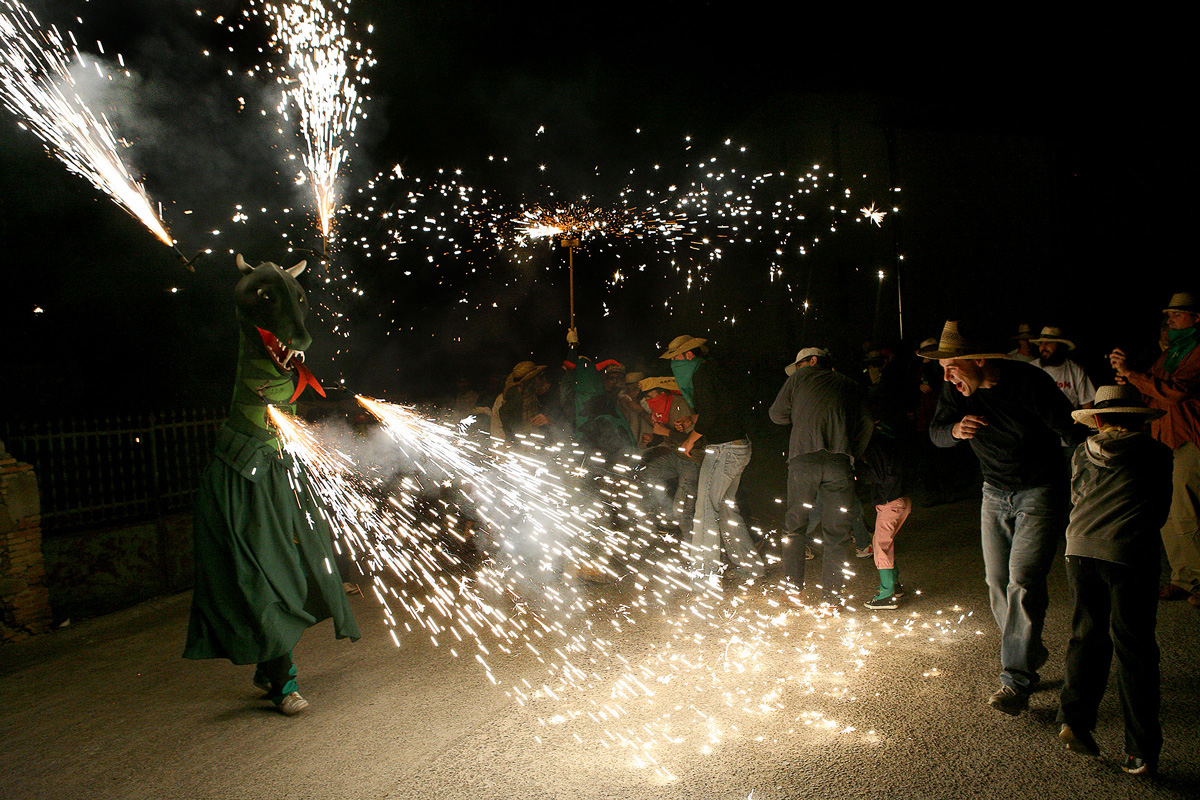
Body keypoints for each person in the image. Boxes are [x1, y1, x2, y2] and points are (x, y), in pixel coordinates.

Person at [922, 320, 1076, 715]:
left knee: (1023, 581)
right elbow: (936, 433)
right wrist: (955, 429)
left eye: (952, 365)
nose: (946, 375)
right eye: (942, 368)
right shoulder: (957, 391)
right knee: (997, 581)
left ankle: (1016, 681)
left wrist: (1094, 474)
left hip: (1040, 490)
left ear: (978, 360)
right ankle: (1027, 650)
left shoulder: (1029, 383)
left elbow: (1071, 429)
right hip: (993, 492)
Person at [1057, 386, 1171, 775]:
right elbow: (1159, 508)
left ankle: (1075, 720)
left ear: (1099, 421)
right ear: (1140, 420)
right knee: (1134, 648)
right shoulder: (1157, 454)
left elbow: (1075, 498)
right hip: (1128, 554)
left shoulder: (1080, 453)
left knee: (1086, 635)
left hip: (1079, 550)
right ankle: (1139, 751)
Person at [1110, 291, 1200, 605]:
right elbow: (1152, 396)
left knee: (1187, 510)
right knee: (1170, 510)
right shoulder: (1171, 353)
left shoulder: (1197, 351)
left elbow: (1175, 393)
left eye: (1176, 314)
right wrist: (1126, 375)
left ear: (1196, 318)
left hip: (1191, 438)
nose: (1169, 320)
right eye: (1169, 315)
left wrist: (1134, 375)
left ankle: (1197, 580)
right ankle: (1184, 578)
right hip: (1165, 438)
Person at [769, 347, 874, 605]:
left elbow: (776, 415)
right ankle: (831, 601)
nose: (795, 370)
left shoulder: (798, 379)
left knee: (795, 527)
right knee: (837, 533)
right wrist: (851, 452)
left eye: (799, 365)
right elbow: (867, 423)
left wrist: (801, 414)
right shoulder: (850, 384)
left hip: (803, 460)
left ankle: (793, 589)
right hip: (839, 463)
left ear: (813, 361)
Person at [662, 334, 763, 586]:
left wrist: (689, 439)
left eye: (676, 358)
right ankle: (750, 568)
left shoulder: (703, 375)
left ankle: (705, 572)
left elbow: (709, 414)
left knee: (706, 508)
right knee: (725, 508)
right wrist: (690, 421)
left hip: (724, 450)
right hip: (737, 445)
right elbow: (719, 409)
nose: (674, 364)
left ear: (689, 354)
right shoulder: (715, 371)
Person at [636, 375, 702, 536]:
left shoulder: (679, 406)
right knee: (645, 474)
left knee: (682, 510)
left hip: (692, 459)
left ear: (662, 394)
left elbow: (694, 442)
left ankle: (694, 547)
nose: (649, 401)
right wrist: (654, 439)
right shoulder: (659, 410)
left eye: (650, 396)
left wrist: (665, 432)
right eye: (646, 397)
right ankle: (668, 518)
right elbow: (666, 434)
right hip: (676, 456)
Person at [857, 423, 913, 610]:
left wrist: (856, 469)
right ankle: (895, 586)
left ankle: (887, 593)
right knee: (884, 543)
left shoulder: (875, 446)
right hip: (900, 501)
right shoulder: (893, 440)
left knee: (880, 546)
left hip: (890, 503)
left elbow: (879, 475)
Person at [1031, 326, 1097, 410]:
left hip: (1068, 421)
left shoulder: (1075, 370)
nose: (1043, 348)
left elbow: (1087, 405)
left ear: (1060, 346)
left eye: (1048, 343)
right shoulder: (1031, 368)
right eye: (1041, 343)